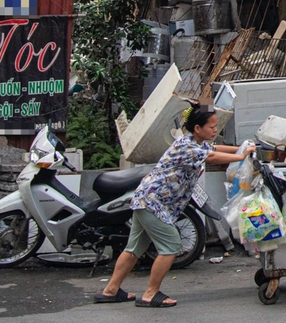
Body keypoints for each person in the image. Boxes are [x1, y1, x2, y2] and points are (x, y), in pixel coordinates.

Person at [97, 105, 255, 307]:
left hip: (145, 199)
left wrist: (242, 148)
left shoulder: (193, 142)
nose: (215, 130)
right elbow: (212, 157)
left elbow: (214, 149)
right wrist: (241, 156)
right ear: (197, 128)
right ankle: (150, 293)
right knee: (171, 246)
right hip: (154, 202)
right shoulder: (188, 148)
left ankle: (111, 290)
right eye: (212, 126)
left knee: (134, 248)